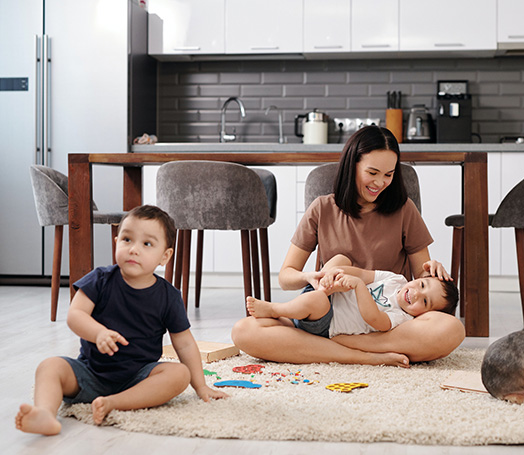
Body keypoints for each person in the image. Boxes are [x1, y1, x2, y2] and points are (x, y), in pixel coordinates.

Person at [231, 125, 465, 367]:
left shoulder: (405, 210)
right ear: (352, 165)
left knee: (452, 329)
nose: (380, 183)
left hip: (382, 326)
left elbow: (421, 285)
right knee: (244, 330)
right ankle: (360, 356)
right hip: (328, 315)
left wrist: (431, 270)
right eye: (372, 172)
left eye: (388, 174)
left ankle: (339, 347)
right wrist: (310, 276)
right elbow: (286, 278)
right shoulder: (322, 208)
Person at [15, 205, 228, 436]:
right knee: (50, 366)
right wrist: (98, 333)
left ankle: (115, 402)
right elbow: (75, 315)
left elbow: (185, 343)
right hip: (90, 372)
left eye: (147, 244)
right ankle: (44, 414)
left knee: (179, 375)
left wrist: (201, 386)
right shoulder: (100, 279)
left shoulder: (169, 296)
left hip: (139, 379)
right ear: (117, 241)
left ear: (165, 256)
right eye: (127, 239)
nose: (133, 249)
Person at [246, 254, 459, 338]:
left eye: (424, 301)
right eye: (421, 284)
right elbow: (363, 274)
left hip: (326, 322)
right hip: (325, 293)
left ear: (424, 315)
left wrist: (358, 287)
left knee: (317, 301)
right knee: (341, 258)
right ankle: (321, 286)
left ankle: (275, 309)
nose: (416, 293)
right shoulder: (397, 279)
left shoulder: (402, 319)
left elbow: (374, 319)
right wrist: (337, 274)